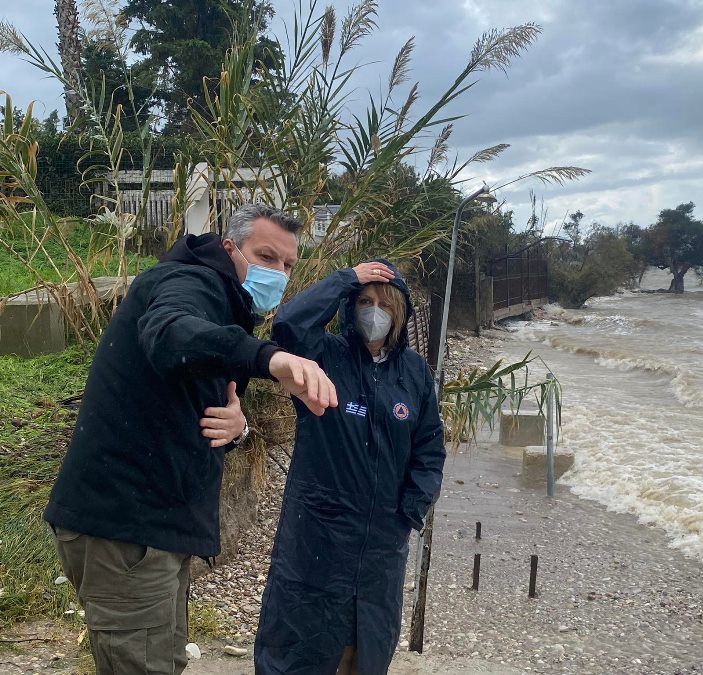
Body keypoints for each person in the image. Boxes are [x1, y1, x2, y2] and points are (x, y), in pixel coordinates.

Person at [43, 204, 337, 675]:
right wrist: (271, 360)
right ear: (229, 249)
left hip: (157, 527)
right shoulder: (188, 283)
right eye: (266, 255)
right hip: (126, 528)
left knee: (166, 661)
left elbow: (200, 401)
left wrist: (238, 427)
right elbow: (171, 334)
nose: (277, 273)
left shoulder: (228, 307)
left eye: (287, 265)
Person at [255, 259, 446, 674]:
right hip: (317, 541)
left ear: (400, 312)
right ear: (349, 305)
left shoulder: (414, 373)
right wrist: (347, 278)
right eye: (364, 301)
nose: (374, 310)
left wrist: (409, 511)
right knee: (301, 651)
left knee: (366, 653)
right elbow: (287, 326)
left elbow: (429, 449)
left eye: (384, 303)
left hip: (381, 550)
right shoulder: (323, 357)